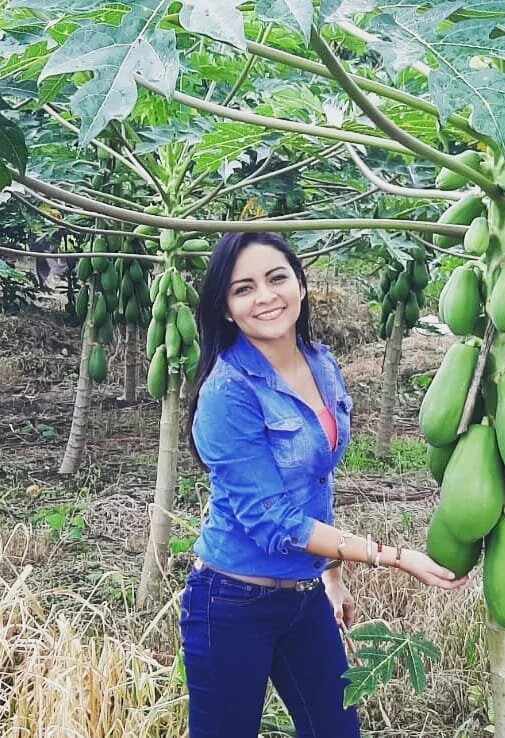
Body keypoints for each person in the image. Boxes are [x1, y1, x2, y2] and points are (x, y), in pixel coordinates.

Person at [180, 232, 467, 738]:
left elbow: (316, 481)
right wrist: (396, 557)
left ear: (301, 284)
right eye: (243, 288)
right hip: (231, 602)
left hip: (305, 596)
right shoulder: (227, 392)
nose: (265, 297)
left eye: (276, 278)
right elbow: (275, 521)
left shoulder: (320, 362)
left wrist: (332, 575)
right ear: (225, 309)